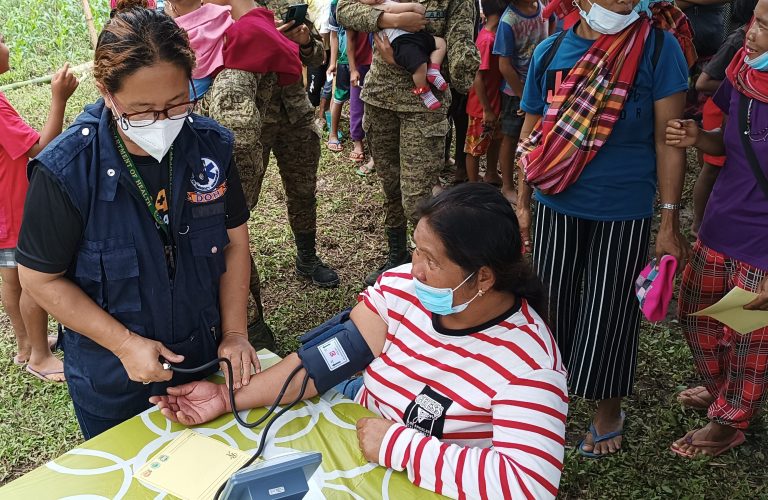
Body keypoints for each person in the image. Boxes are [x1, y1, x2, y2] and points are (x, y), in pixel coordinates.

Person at [152, 183, 568, 500]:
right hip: (361, 442)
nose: (415, 270)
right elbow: (324, 363)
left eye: (432, 261)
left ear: (484, 277)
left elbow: (527, 486)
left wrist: (398, 446)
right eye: (416, 251)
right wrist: (227, 398)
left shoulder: (528, 365)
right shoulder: (403, 289)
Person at [15, 0, 258, 439]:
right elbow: (39, 279)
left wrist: (236, 333)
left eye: (178, 104)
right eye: (142, 110)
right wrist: (124, 344)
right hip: (115, 377)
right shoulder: (67, 170)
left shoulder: (211, 147)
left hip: (203, 358)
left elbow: (234, 242)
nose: (162, 123)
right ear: (108, 94)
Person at [516, 0, 694, 457]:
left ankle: (607, 409)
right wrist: (521, 204)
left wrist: (669, 219)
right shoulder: (551, 50)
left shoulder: (658, 48)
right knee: (549, 303)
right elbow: (531, 135)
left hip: (624, 207)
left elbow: (667, 139)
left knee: (611, 309)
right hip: (556, 201)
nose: (621, 2)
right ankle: (543, 397)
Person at [666, 0, 768, 458]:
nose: (751, 33)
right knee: (695, 314)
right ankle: (722, 390)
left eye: (764, 26)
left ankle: (729, 424)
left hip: (760, 247)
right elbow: (723, 142)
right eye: (754, 20)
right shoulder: (744, 79)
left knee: (749, 341)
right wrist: (695, 139)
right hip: (720, 225)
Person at [337, 0, 480, 286]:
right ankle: (396, 256)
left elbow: (460, 42)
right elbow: (343, 10)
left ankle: (432, 263)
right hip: (380, 101)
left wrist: (461, 68)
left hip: (424, 108)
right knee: (390, 185)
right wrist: (391, 20)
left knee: (416, 196)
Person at [0, 37, 78, 382]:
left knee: (12, 278)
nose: (7, 44)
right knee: (34, 279)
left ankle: (25, 346)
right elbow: (43, 149)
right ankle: (40, 357)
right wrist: (58, 98)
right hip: (15, 206)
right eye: (2, 40)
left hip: (3, 206)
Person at [691, 21, 751, 236]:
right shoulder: (737, 42)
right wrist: (741, 86)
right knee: (712, 168)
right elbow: (703, 84)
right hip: (720, 109)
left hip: (736, 108)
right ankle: (699, 225)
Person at [493, 0, 549, 205]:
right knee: (511, 136)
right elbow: (504, 66)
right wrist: (523, 97)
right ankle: (507, 185)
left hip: (542, 87)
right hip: (515, 91)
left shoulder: (542, 8)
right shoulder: (508, 21)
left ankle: (533, 179)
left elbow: (550, 31)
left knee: (537, 137)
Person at [357, 0, 450, 110]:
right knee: (419, 65)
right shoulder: (378, 7)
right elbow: (391, 9)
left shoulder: (388, 2)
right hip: (401, 42)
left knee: (440, 44)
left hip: (414, 35)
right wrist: (413, 6)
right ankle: (424, 90)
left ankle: (433, 70)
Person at [463, 0, 508, 184]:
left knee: (495, 139)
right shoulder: (486, 40)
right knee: (475, 147)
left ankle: (491, 173)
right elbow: (478, 77)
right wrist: (486, 109)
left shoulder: (496, 36)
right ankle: (473, 184)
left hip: (494, 102)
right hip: (481, 107)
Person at [344, 16, 375, 174]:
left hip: (382, 63)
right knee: (357, 104)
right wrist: (353, 68)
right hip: (361, 62)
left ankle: (376, 154)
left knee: (377, 108)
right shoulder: (353, 8)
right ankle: (358, 142)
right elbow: (350, 41)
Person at [327, 0, 351, 151]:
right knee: (339, 96)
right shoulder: (336, 3)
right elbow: (334, 35)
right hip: (344, 59)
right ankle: (333, 134)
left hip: (367, 60)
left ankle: (359, 140)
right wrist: (332, 62)